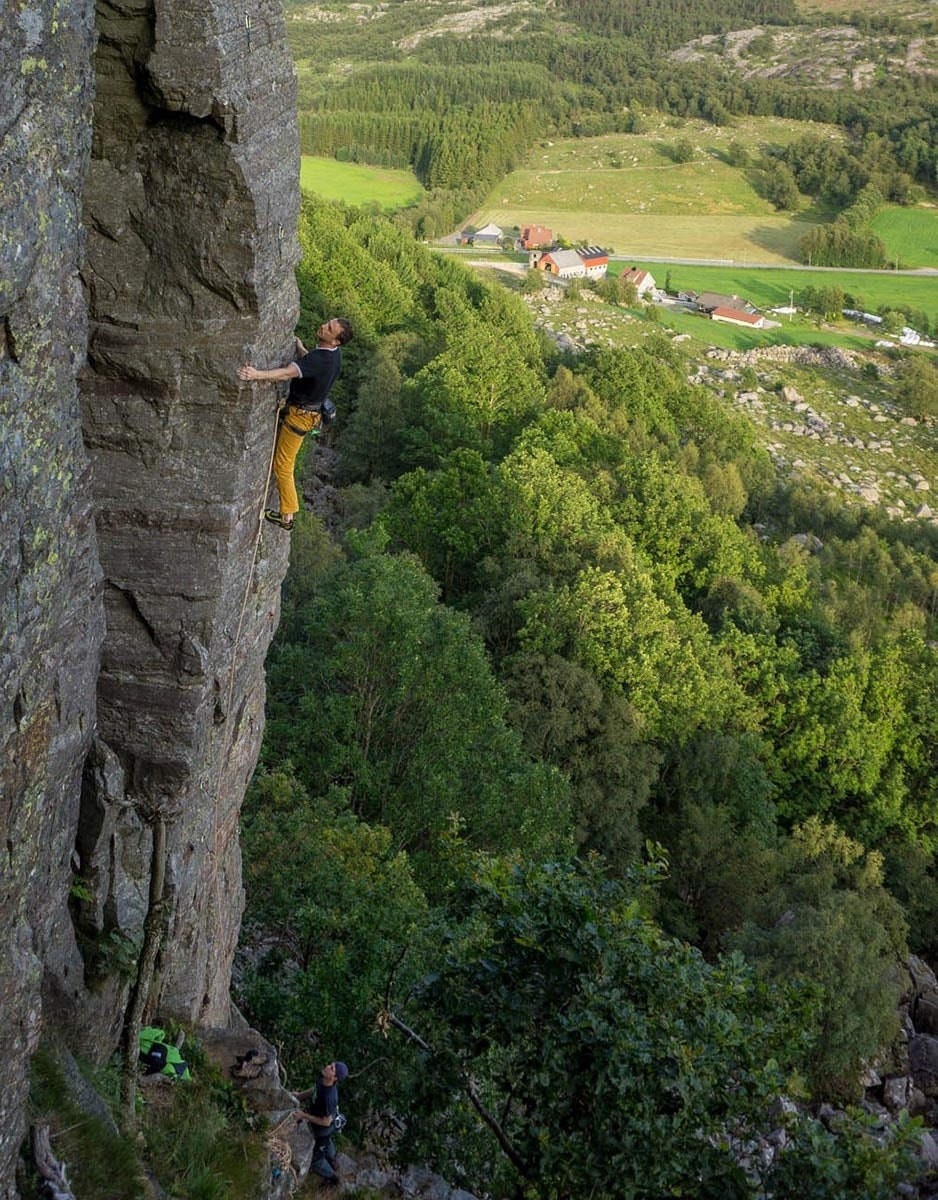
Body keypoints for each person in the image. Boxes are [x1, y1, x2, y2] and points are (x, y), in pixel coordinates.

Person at [237, 317, 353, 531]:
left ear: (336, 341)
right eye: (328, 323)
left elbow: (286, 373)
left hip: (300, 416)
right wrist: (300, 348)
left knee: (283, 465)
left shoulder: (320, 360)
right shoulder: (333, 355)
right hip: (308, 412)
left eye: (329, 328)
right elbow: (311, 366)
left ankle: (287, 517)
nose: (323, 326)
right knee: (285, 463)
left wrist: (256, 375)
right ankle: (287, 513)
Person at [294, 1060, 349, 1181]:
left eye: (332, 1069)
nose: (328, 1066)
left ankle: (332, 1178)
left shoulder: (329, 1097)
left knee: (316, 1159)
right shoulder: (323, 1078)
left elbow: (326, 1122)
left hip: (323, 1130)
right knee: (327, 1144)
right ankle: (332, 1159)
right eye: (331, 1065)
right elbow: (314, 1089)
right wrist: (299, 1095)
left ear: (334, 1078)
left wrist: (304, 1116)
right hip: (325, 1127)